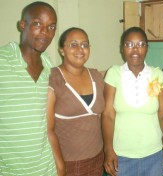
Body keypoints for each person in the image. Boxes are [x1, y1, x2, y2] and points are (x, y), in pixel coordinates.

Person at [102, 26, 163, 176]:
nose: (135, 49)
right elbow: (107, 115)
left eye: (141, 44)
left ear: (147, 48)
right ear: (122, 48)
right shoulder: (114, 73)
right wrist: (108, 150)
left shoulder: (157, 75)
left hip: (153, 156)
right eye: (129, 44)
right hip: (121, 156)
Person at [0, 1, 57, 175]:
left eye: (51, 26)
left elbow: (48, 125)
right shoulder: (2, 60)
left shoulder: (49, 66)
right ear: (22, 25)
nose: (45, 32)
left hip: (47, 169)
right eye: (38, 24)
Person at [47, 27, 105, 176]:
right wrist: (60, 167)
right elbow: (48, 130)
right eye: (73, 44)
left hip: (97, 158)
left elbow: (100, 119)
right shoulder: (53, 79)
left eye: (85, 45)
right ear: (62, 50)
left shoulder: (96, 76)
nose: (80, 49)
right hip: (68, 164)